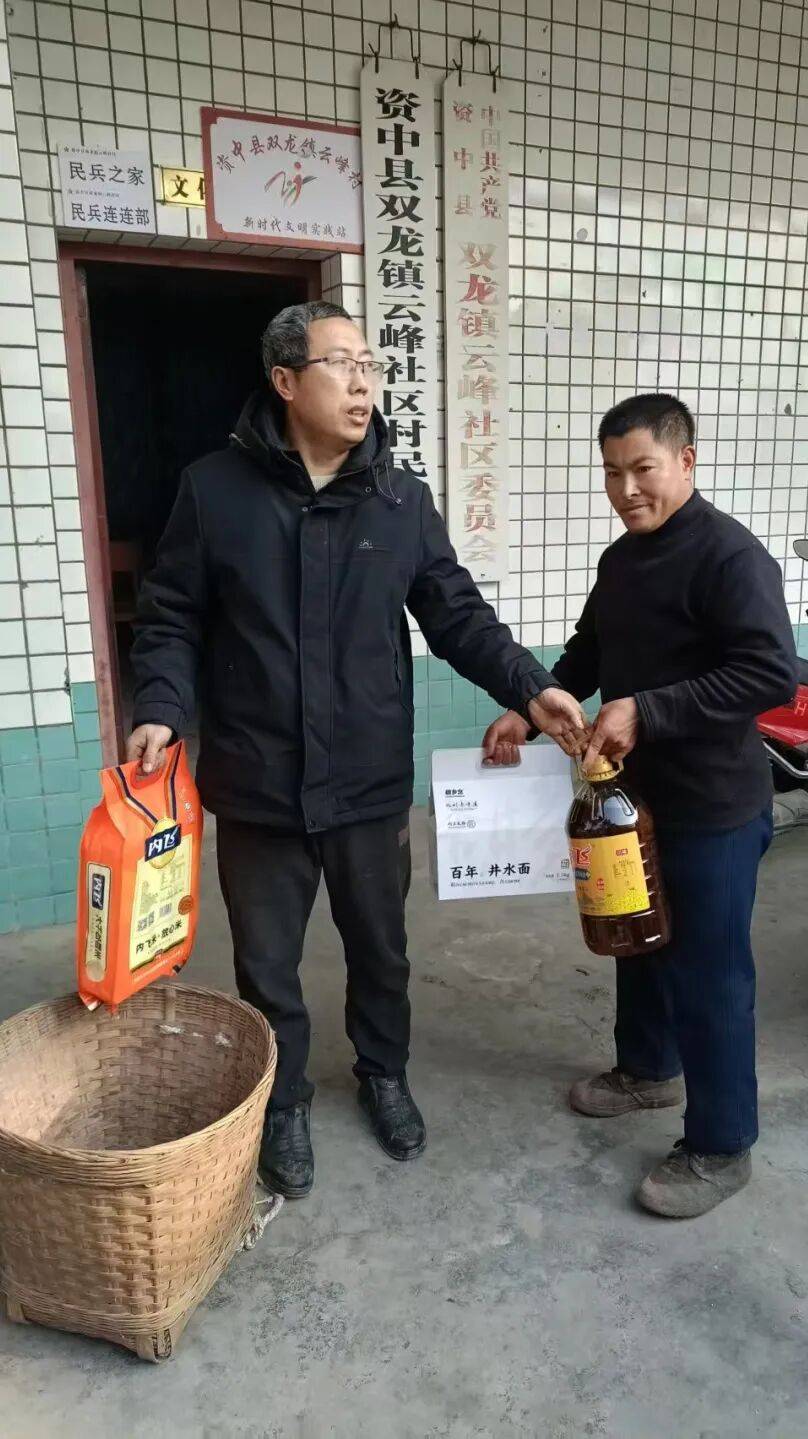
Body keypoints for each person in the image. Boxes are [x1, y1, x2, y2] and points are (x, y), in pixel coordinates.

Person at [127, 300, 587, 1199]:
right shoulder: (213, 491)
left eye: (370, 364)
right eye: (341, 363)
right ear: (285, 381)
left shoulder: (400, 500)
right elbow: (171, 615)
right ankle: (284, 1099)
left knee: (381, 950)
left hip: (368, 780)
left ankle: (384, 1071)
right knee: (267, 964)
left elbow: (458, 614)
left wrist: (531, 688)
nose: (364, 382)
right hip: (257, 780)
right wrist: (162, 708)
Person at [483, 393, 797, 1218]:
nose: (627, 489)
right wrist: (527, 707)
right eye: (613, 472)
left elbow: (771, 671)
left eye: (643, 469)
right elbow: (589, 651)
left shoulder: (732, 557)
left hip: (713, 807)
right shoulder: (622, 560)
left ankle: (722, 1145)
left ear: (685, 461)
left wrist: (648, 710)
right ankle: (649, 1069)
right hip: (629, 797)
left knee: (709, 972)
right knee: (637, 937)